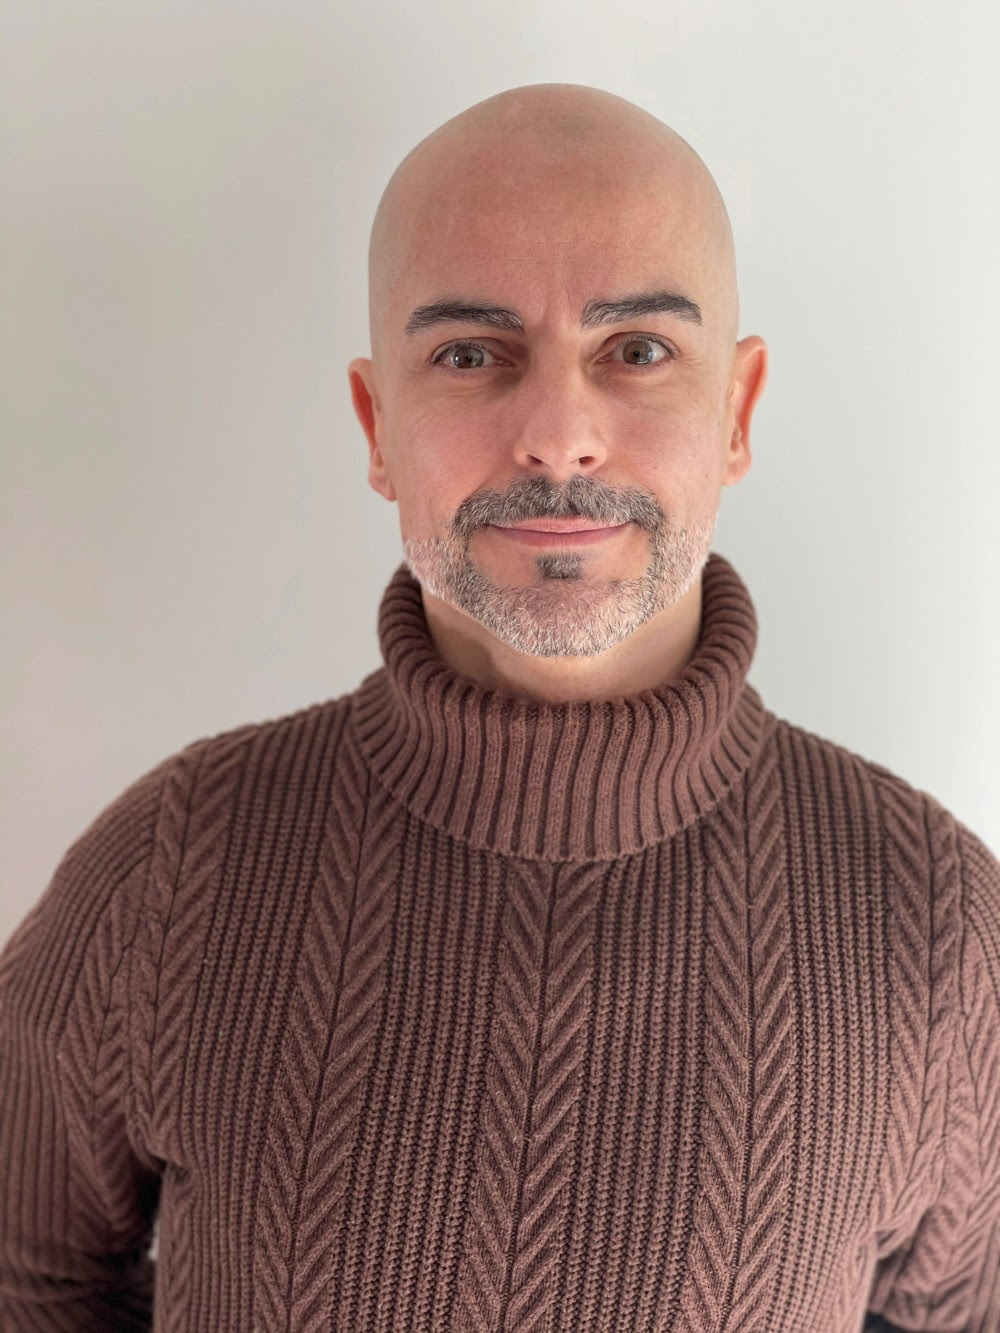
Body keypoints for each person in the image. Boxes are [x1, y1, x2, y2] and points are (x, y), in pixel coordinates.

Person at [0, 82, 997, 1333]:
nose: (559, 436)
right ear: (378, 425)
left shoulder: (941, 931)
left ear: (736, 412)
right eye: (471, 354)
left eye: (637, 350)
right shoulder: (166, 873)